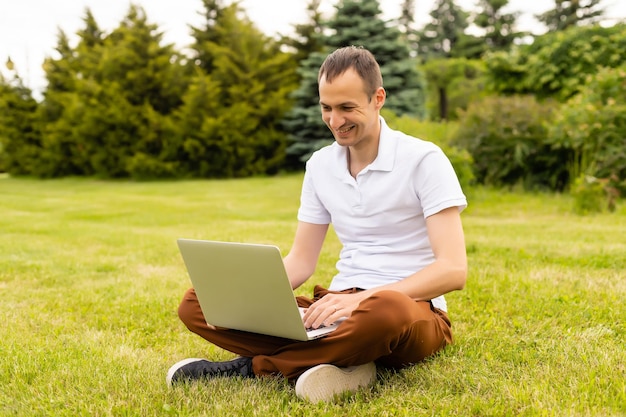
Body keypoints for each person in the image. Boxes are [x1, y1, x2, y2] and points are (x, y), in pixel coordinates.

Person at [166, 45, 468, 403]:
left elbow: (453, 270)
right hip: (336, 309)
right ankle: (346, 364)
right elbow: (301, 261)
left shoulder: (423, 159)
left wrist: (363, 301)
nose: (335, 121)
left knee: (386, 309)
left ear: (378, 98)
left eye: (347, 108)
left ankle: (255, 368)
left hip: (409, 310)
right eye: (326, 107)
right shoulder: (320, 166)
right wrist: (251, 293)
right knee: (199, 302)